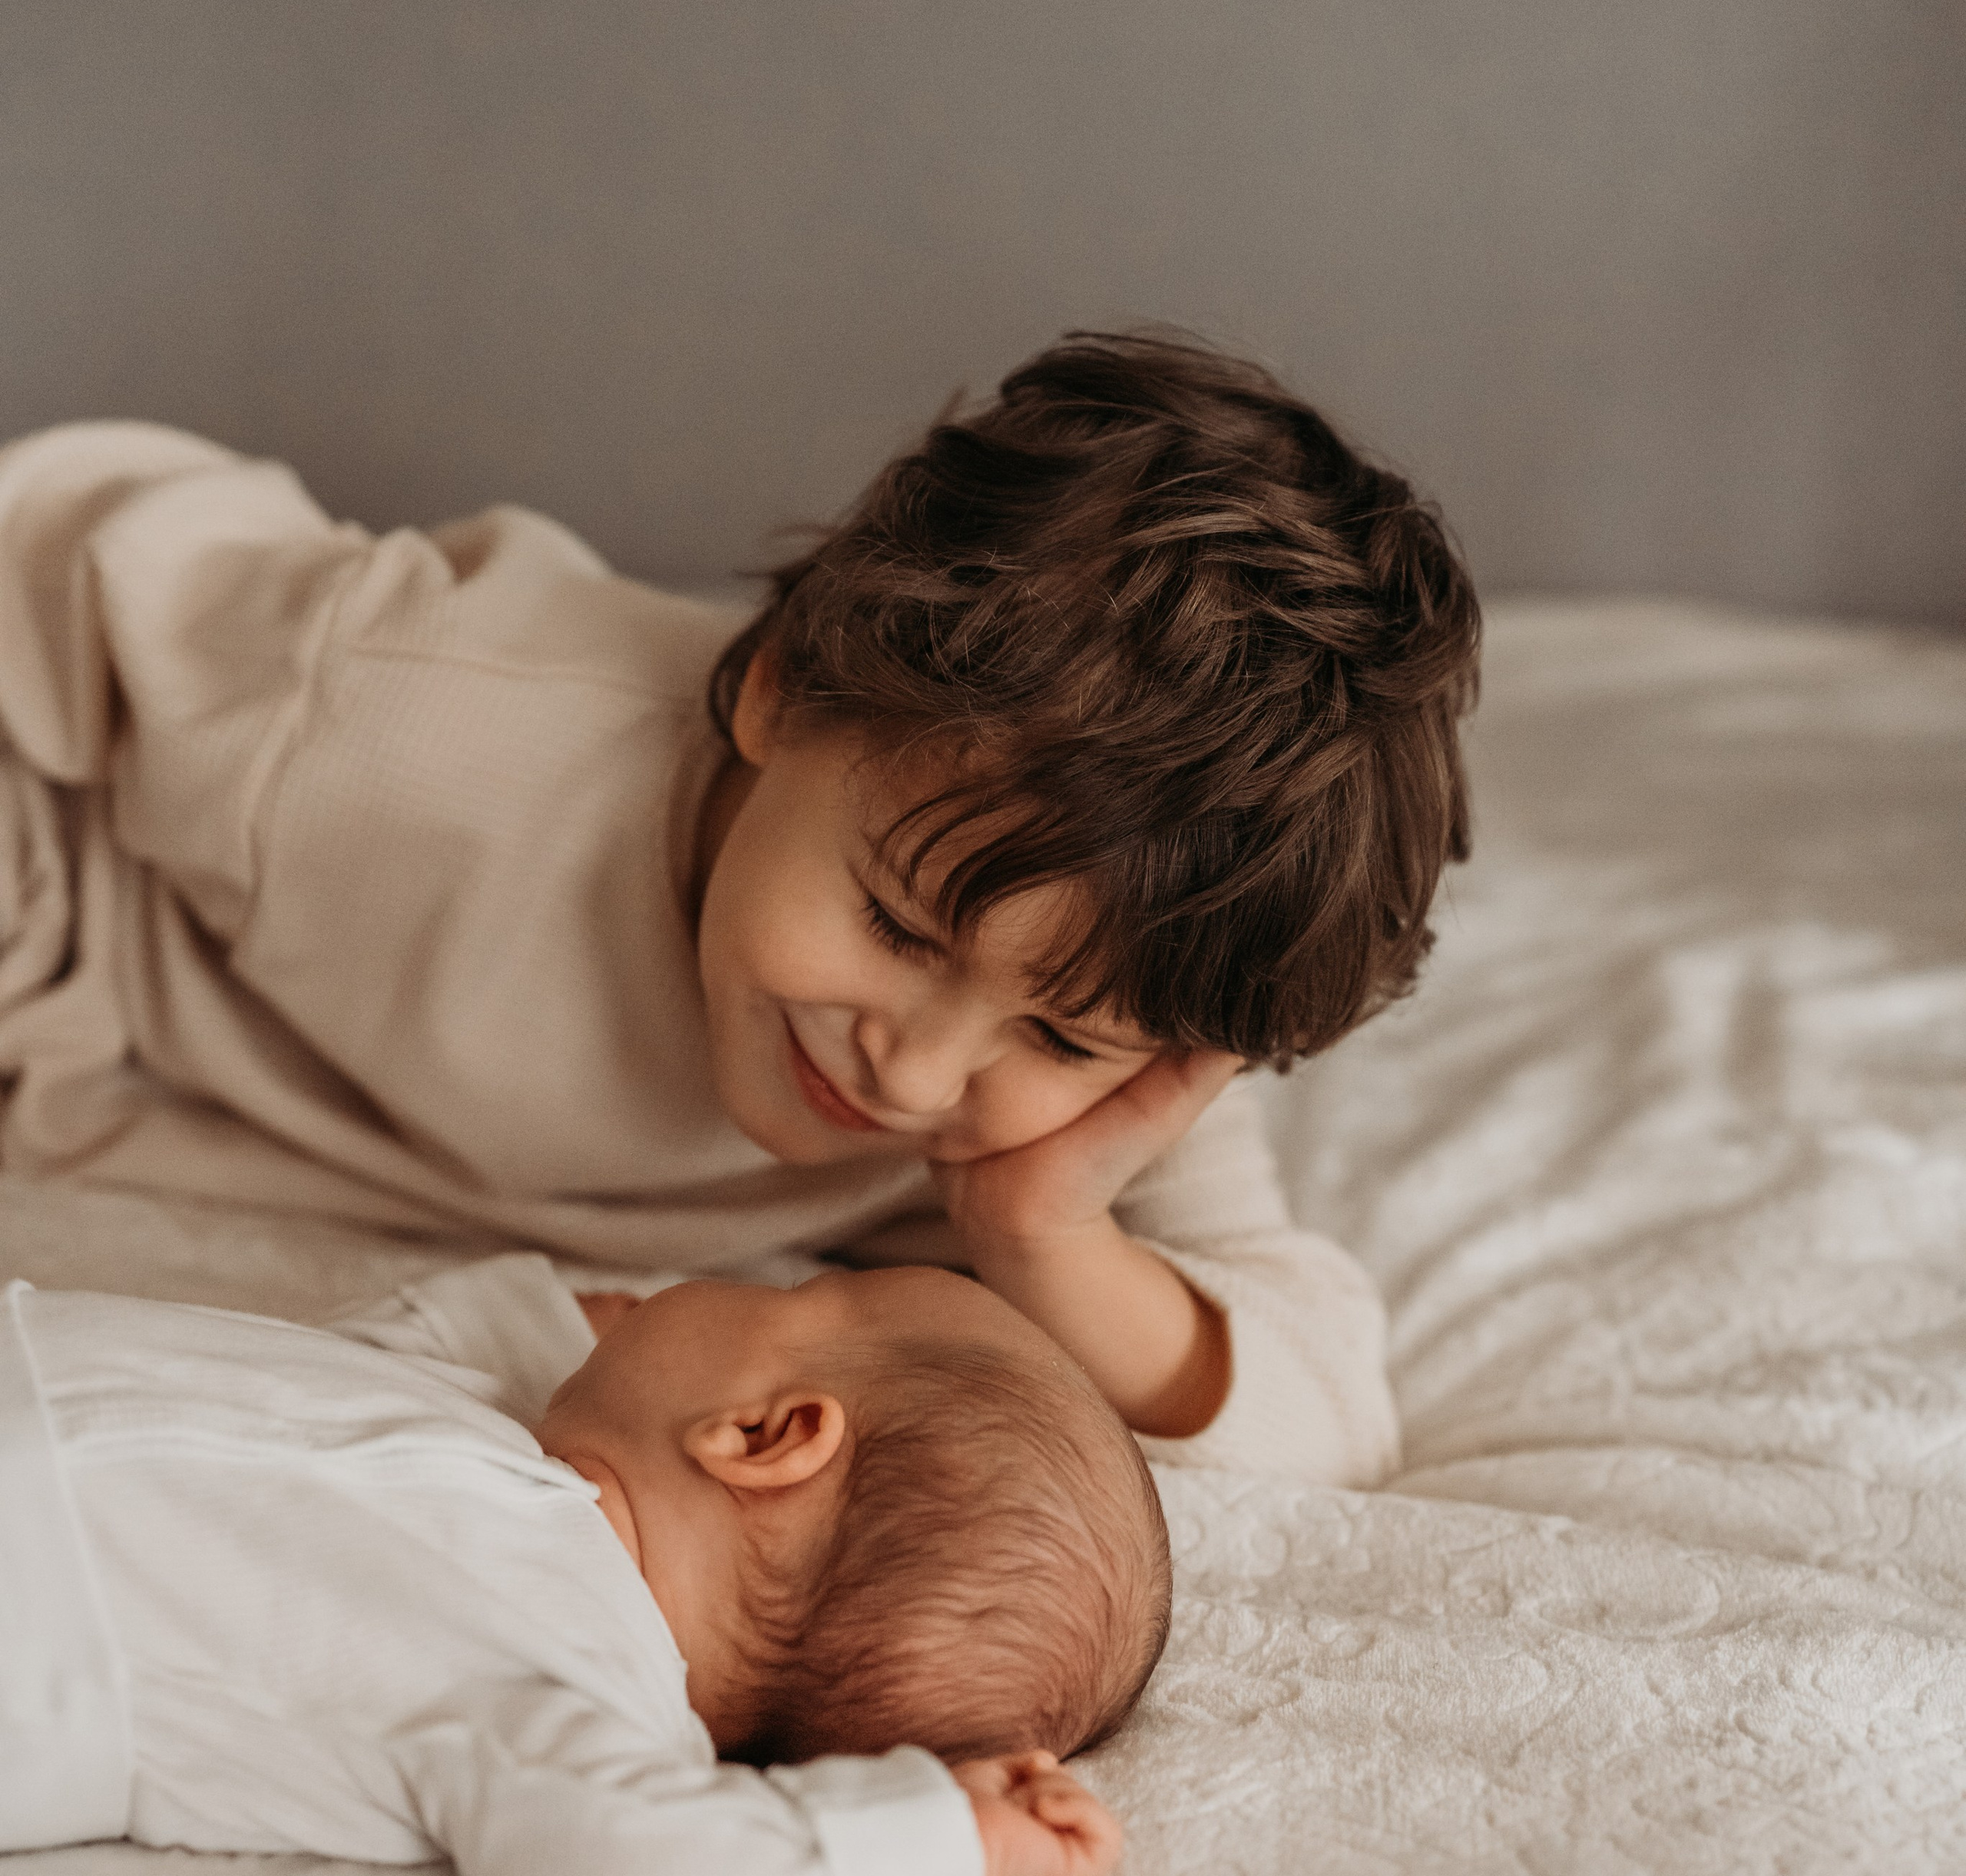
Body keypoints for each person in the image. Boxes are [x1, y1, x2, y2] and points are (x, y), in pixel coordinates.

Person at [0, 330, 1480, 1480]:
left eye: (1057, 1039)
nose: (917, 1074)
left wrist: (1045, 1235)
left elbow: (1330, 1423)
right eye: (899, 928)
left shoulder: (1106, 1019)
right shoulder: (398, 709)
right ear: (782, 688)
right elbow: (63, 544)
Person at [0, 1252, 1160, 1876]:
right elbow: (351, 1363)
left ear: (762, 1435)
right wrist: (552, 1328)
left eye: (796, 1293)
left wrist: (945, 1844)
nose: (716, 1280)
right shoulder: (507, 1436)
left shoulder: (571, 1680)